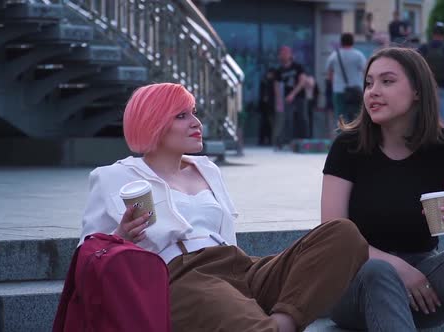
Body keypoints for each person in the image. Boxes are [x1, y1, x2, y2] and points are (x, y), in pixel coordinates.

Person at [79, 83, 369, 332]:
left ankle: (283, 322)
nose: (196, 123)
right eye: (182, 116)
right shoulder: (114, 177)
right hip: (179, 275)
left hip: (239, 267)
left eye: (194, 113)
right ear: (152, 122)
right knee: (240, 317)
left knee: (343, 235)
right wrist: (121, 237)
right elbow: (88, 258)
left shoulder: (208, 170)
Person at [320, 48, 444, 331]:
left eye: (387, 82)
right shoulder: (347, 147)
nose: (373, 91)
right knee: (380, 272)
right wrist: (398, 269)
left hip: (422, 284)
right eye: (369, 83)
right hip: (355, 279)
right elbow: (332, 237)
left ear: (417, 91)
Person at [418, 22, 444, 128]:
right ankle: (441, 140)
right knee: (443, 118)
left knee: (427, 116)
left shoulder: (424, 47)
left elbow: (416, 67)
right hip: (443, 88)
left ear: (433, 34)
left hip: (427, 87)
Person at [325, 33, 367, 123]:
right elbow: (365, 72)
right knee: (356, 116)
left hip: (339, 90)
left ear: (341, 42)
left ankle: (342, 135)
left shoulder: (334, 55)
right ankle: (356, 136)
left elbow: (329, 74)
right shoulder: (358, 55)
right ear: (352, 42)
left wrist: (334, 84)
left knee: (340, 116)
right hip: (356, 90)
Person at [274, 46, 308, 147]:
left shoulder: (298, 67)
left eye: (286, 53)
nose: (284, 55)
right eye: (282, 53)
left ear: (290, 54)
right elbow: (276, 86)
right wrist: (279, 100)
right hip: (286, 98)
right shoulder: (279, 70)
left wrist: (293, 94)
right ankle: (287, 141)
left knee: (302, 118)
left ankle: (304, 140)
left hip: (299, 96)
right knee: (287, 119)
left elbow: (302, 82)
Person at [258, 68, 276, 146]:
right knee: (265, 123)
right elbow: (263, 95)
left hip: (270, 105)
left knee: (269, 123)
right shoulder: (265, 82)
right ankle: (263, 139)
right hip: (265, 106)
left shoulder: (273, 82)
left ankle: (269, 139)